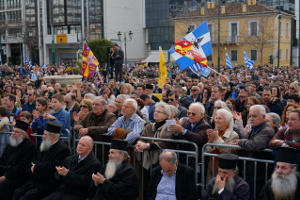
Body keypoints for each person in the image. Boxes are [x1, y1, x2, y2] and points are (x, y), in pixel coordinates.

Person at [13, 122, 71, 200]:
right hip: (36, 180)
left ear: (52, 136)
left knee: (26, 198)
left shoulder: (63, 149)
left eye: (44, 134)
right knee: (18, 192)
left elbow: (52, 166)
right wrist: (34, 167)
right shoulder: (45, 144)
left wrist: (36, 167)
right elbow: (35, 159)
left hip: (49, 183)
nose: (43, 136)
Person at [43, 136, 101, 200]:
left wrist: (67, 174)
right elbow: (57, 175)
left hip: (77, 195)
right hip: (61, 192)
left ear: (90, 149)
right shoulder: (69, 159)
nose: (79, 146)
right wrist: (60, 173)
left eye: (83, 145)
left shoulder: (95, 164)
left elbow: (85, 182)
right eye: (79, 143)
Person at [236, 105, 275, 199]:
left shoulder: (267, 130)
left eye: (254, 116)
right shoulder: (255, 128)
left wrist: (240, 142)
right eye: (250, 116)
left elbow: (255, 145)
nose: (251, 119)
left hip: (260, 173)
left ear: (264, 117)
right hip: (251, 171)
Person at [0, 120, 37, 200]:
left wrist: (5, 176)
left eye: (16, 132)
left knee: (3, 185)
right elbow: (1, 161)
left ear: (23, 135)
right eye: (13, 131)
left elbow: (21, 168)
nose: (13, 133)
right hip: (6, 173)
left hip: (19, 177)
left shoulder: (29, 147)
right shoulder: (10, 145)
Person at [135, 102, 174, 169]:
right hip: (148, 159)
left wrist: (147, 145)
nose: (155, 113)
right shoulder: (149, 126)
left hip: (164, 160)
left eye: (159, 112)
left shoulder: (169, 127)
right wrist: (139, 144)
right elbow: (142, 137)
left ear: (165, 116)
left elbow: (166, 143)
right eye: (155, 111)